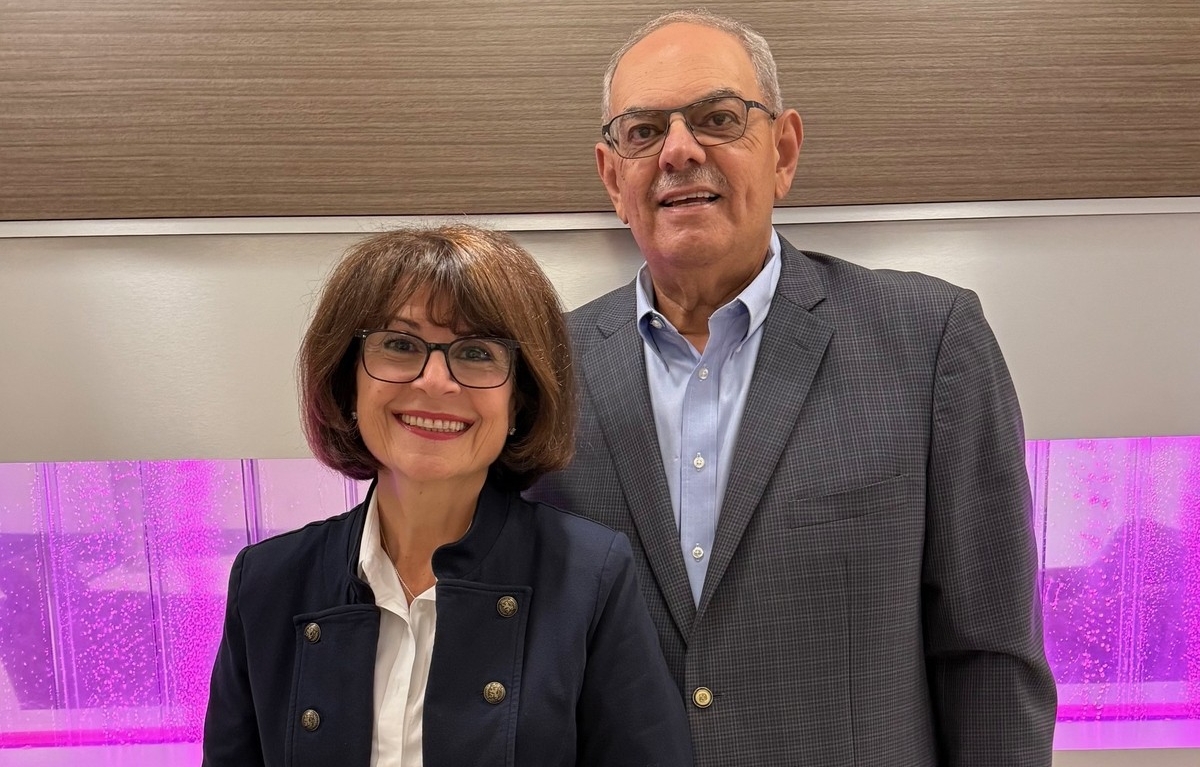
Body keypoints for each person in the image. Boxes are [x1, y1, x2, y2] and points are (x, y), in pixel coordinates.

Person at [526, 9, 1058, 766]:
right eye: (643, 131)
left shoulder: (929, 340)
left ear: (782, 151)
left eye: (717, 117)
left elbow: (991, 657)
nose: (679, 150)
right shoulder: (547, 369)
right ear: (614, 178)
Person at [202, 225, 692, 767]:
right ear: (348, 382)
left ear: (519, 401)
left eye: (477, 352)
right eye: (400, 345)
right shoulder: (268, 584)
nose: (436, 381)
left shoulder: (588, 576)